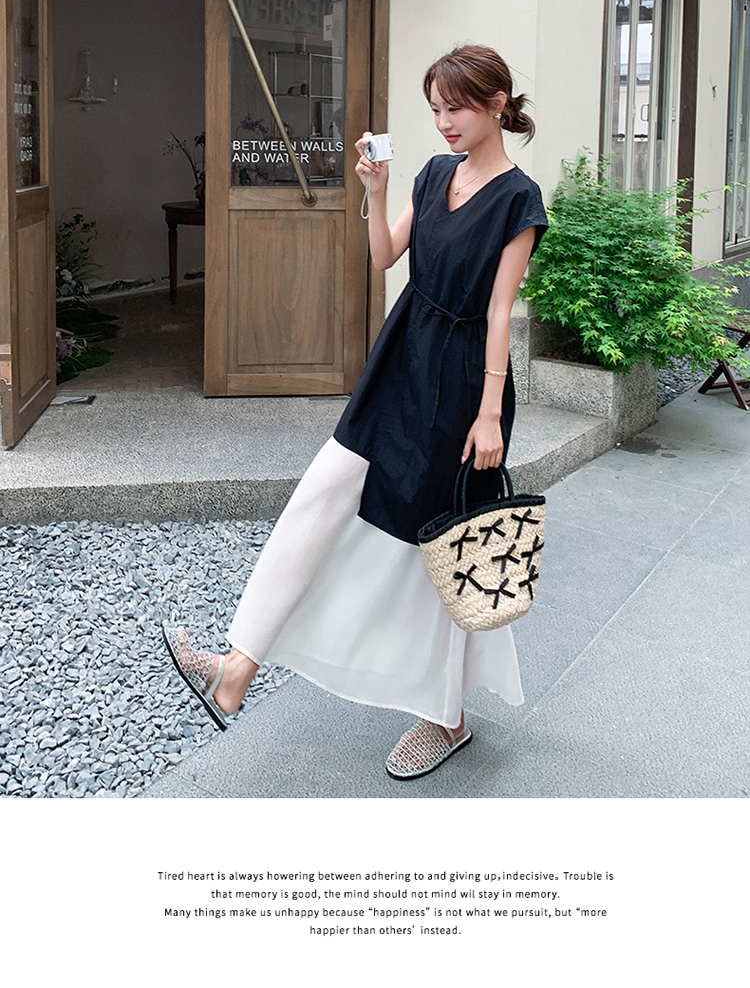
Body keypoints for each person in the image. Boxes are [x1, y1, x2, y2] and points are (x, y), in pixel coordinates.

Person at [163, 44, 548, 781]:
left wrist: (489, 414)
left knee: (436, 548)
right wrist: (375, 189)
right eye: (434, 109)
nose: (443, 122)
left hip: (463, 385)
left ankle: (445, 717)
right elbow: (383, 256)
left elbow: (500, 312)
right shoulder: (432, 175)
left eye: (455, 108)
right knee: (321, 495)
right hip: (399, 362)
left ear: (497, 104)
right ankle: (237, 670)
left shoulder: (518, 199)